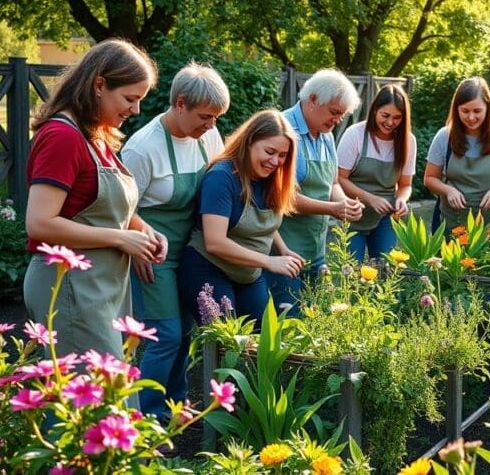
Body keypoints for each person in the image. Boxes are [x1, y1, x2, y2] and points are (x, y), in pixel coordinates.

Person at [24, 39, 165, 361]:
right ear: (99, 85)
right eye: (130, 98)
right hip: (69, 287)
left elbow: (100, 206)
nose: (136, 109)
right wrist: (120, 238)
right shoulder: (62, 136)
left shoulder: (96, 136)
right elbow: (40, 223)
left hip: (101, 288)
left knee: (109, 397)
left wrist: (142, 230)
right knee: (87, 402)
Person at [121, 61, 230, 420]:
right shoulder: (142, 147)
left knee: (186, 331)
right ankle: (145, 415)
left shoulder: (208, 137)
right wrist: (134, 243)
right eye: (205, 115)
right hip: (154, 254)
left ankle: (175, 406)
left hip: (192, 251)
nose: (212, 125)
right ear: (179, 103)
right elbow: (119, 208)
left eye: (216, 117)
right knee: (164, 334)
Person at [179, 109, 304, 325]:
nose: (275, 161)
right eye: (269, 151)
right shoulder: (222, 177)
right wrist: (269, 261)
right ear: (249, 142)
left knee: (263, 339)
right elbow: (215, 242)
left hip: (248, 274)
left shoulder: (270, 178)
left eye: (282, 156)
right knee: (223, 347)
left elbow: (263, 221)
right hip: (209, 269)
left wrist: (282, 248)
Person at [267, 69, 363, 313]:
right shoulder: (283, 130)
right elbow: (281, 195)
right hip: (283, 249)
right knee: (287, 324)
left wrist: (345, 204)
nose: (337, 120)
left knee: (314, 320)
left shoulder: (326, 136)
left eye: (341, 115)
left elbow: (332, 184)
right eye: (334, 112)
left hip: (315, 248)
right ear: (312, 100)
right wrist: (333, 208)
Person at [424, 76, 490, 233]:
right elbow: (430, 179)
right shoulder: (444, 136)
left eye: (477, 111)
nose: (471, 117)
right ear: (456, 109)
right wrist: (447, 190)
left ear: (488, 108)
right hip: (452, 222)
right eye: (465, 111)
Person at [337, 84, 416, 262]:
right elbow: (340, 179)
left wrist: (402, 199)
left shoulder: (408, 141)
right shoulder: (355, 134)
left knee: (385, 270)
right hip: (353, 214)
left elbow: (405, 185)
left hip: (385, 217)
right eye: (385, 115)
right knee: (350, 272)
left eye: (397, 117)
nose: (390, 122)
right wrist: (370, 199)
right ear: (374, 111)